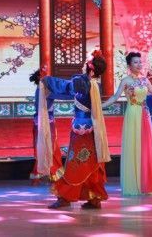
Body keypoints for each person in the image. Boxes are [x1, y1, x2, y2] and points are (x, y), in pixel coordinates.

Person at [41, 51, 110, 209]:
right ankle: (94, 197)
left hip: (81, 130)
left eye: (86, 62)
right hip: (92, 129)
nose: (83, 64)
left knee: (75, 163)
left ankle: (66, 197)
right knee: (91, 162)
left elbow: (65, 87)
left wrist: (47, 80)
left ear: (90, 68)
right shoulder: (95, 84)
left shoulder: (81, 81)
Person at [102, 52, 152, 196]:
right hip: (132, 114)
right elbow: (115, 97)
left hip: (145, 115)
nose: (138, 64)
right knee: (133, 146)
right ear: (129, 65)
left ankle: (146, 183)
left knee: (146, 148)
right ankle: (133, 184)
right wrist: (101, 106)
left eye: (139, 62)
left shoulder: (145, 80)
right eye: (135, 62)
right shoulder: (125, 81)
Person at [29, 67, 64, 184]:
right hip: (47, 122)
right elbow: (62, 95)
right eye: (46, 76)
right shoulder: (46, 91)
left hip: (38, 122)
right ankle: (53, 173)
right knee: (51, 146)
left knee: (40, 146)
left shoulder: (39, 89)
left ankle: (37, 175)